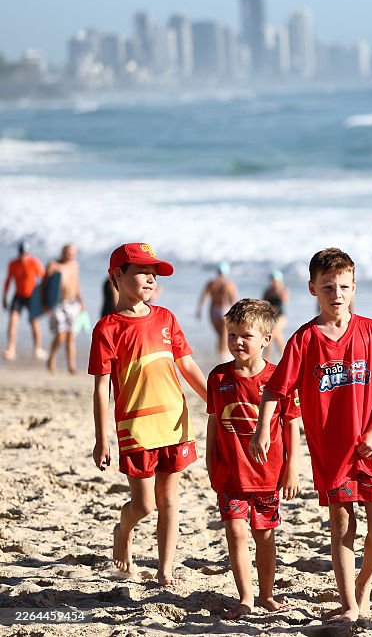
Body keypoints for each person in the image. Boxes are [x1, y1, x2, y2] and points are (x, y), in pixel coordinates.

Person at [250, 248, 372, 624]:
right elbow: (275, 389)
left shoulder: (371, 331)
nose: (336, 293)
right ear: (312, 289)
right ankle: (349, 602)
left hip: (371, 446)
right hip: (331, 451)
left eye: (344, 286)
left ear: (354, 287)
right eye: (328, 287)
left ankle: (363, 586)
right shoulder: (305, 339)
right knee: (343, 525)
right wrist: (261, 431)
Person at [89, 242, 208, 585]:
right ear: (117, 276)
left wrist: (211, 400)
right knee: (144, 506)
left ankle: (165, 569)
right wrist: (102, 440)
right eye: (141, 271)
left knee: (169, 500)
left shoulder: (166, 318)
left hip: (174, 421)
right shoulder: (107, 328)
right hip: (136, 428)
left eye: (153, 273)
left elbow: (187, 366)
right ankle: (122, 531)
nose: (151, 278)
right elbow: (101, 389)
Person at [206, 299, 301, 619]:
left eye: (245, 335)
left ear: (266, 339)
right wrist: (210, 462)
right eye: (232, 335)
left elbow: (291, 426)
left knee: (264, 535)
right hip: (230, 474)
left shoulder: (278, 379)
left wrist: (292, 470)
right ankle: (245, 597)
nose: (237, 342)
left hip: (267, 476)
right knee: (235, 533)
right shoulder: (218, 378)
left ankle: (267, 594)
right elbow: (214, 423)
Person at [2, 241, 46, 361]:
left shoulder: (34, 262)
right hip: (18, 296)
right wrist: (4, 297)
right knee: (12, 321)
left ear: (28, 253)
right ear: (19, 253)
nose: (23, 256)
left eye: (25, 254)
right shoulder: (13, 264)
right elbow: (8, 281)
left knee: (34, 322)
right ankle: (11, 349)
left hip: (31, 296)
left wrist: (43, 298)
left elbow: (44, 279)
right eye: (21, 254)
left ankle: (38, 348)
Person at [45, 243, 84, 374]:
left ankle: (71, 366)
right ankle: (51, 357)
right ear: (62, 253)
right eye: (68, 253)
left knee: (71, 335)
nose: (70, 256)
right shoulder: (54, 265)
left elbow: (76, 283)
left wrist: (81, 301)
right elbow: (44, 285)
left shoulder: (75, 265)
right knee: (61, 335)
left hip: (73, 303)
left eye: (73, 254)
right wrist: (44, 303)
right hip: (58, 304)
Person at [197, 261, 239, 358]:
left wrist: (199, 311)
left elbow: (203, 297)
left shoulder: (211, 283)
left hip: (213, 312)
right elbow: (234, 300)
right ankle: (224, 358)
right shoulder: (229, 284)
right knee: (225, 336)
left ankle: (219, 357)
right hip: (224, 310)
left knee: (220, 336)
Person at [262, 271, 290, 358]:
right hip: (271, 317)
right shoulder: (268, 291)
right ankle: (283, 357)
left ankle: (269, 357)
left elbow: (285, 300)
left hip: (281, 317)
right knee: (278, 338)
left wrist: (278, 290)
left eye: (276, 281)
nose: (274, 283)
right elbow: (263, 303)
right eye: (273, 281)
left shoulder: (283, 290)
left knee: (272, 334)